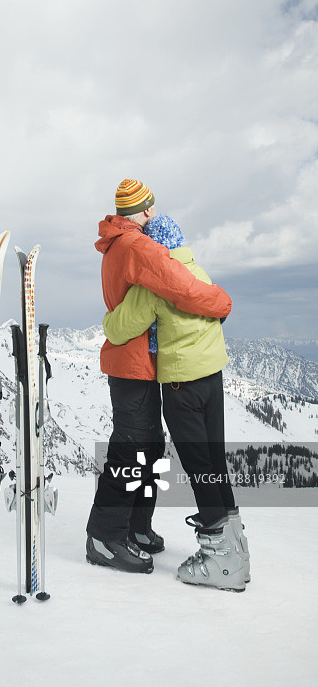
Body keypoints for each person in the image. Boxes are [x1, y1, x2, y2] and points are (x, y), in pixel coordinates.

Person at [86, 179, 232, 574]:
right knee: (132, 449)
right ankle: (105, 535)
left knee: (150, 449)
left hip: (140, 364)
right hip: (133, 364)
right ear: (143, 211)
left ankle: (134, 525)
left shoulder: (119, 244)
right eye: (148, 207)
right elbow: (179, 285)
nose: (152, 213)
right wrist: (220, 301)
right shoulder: (136, 245)